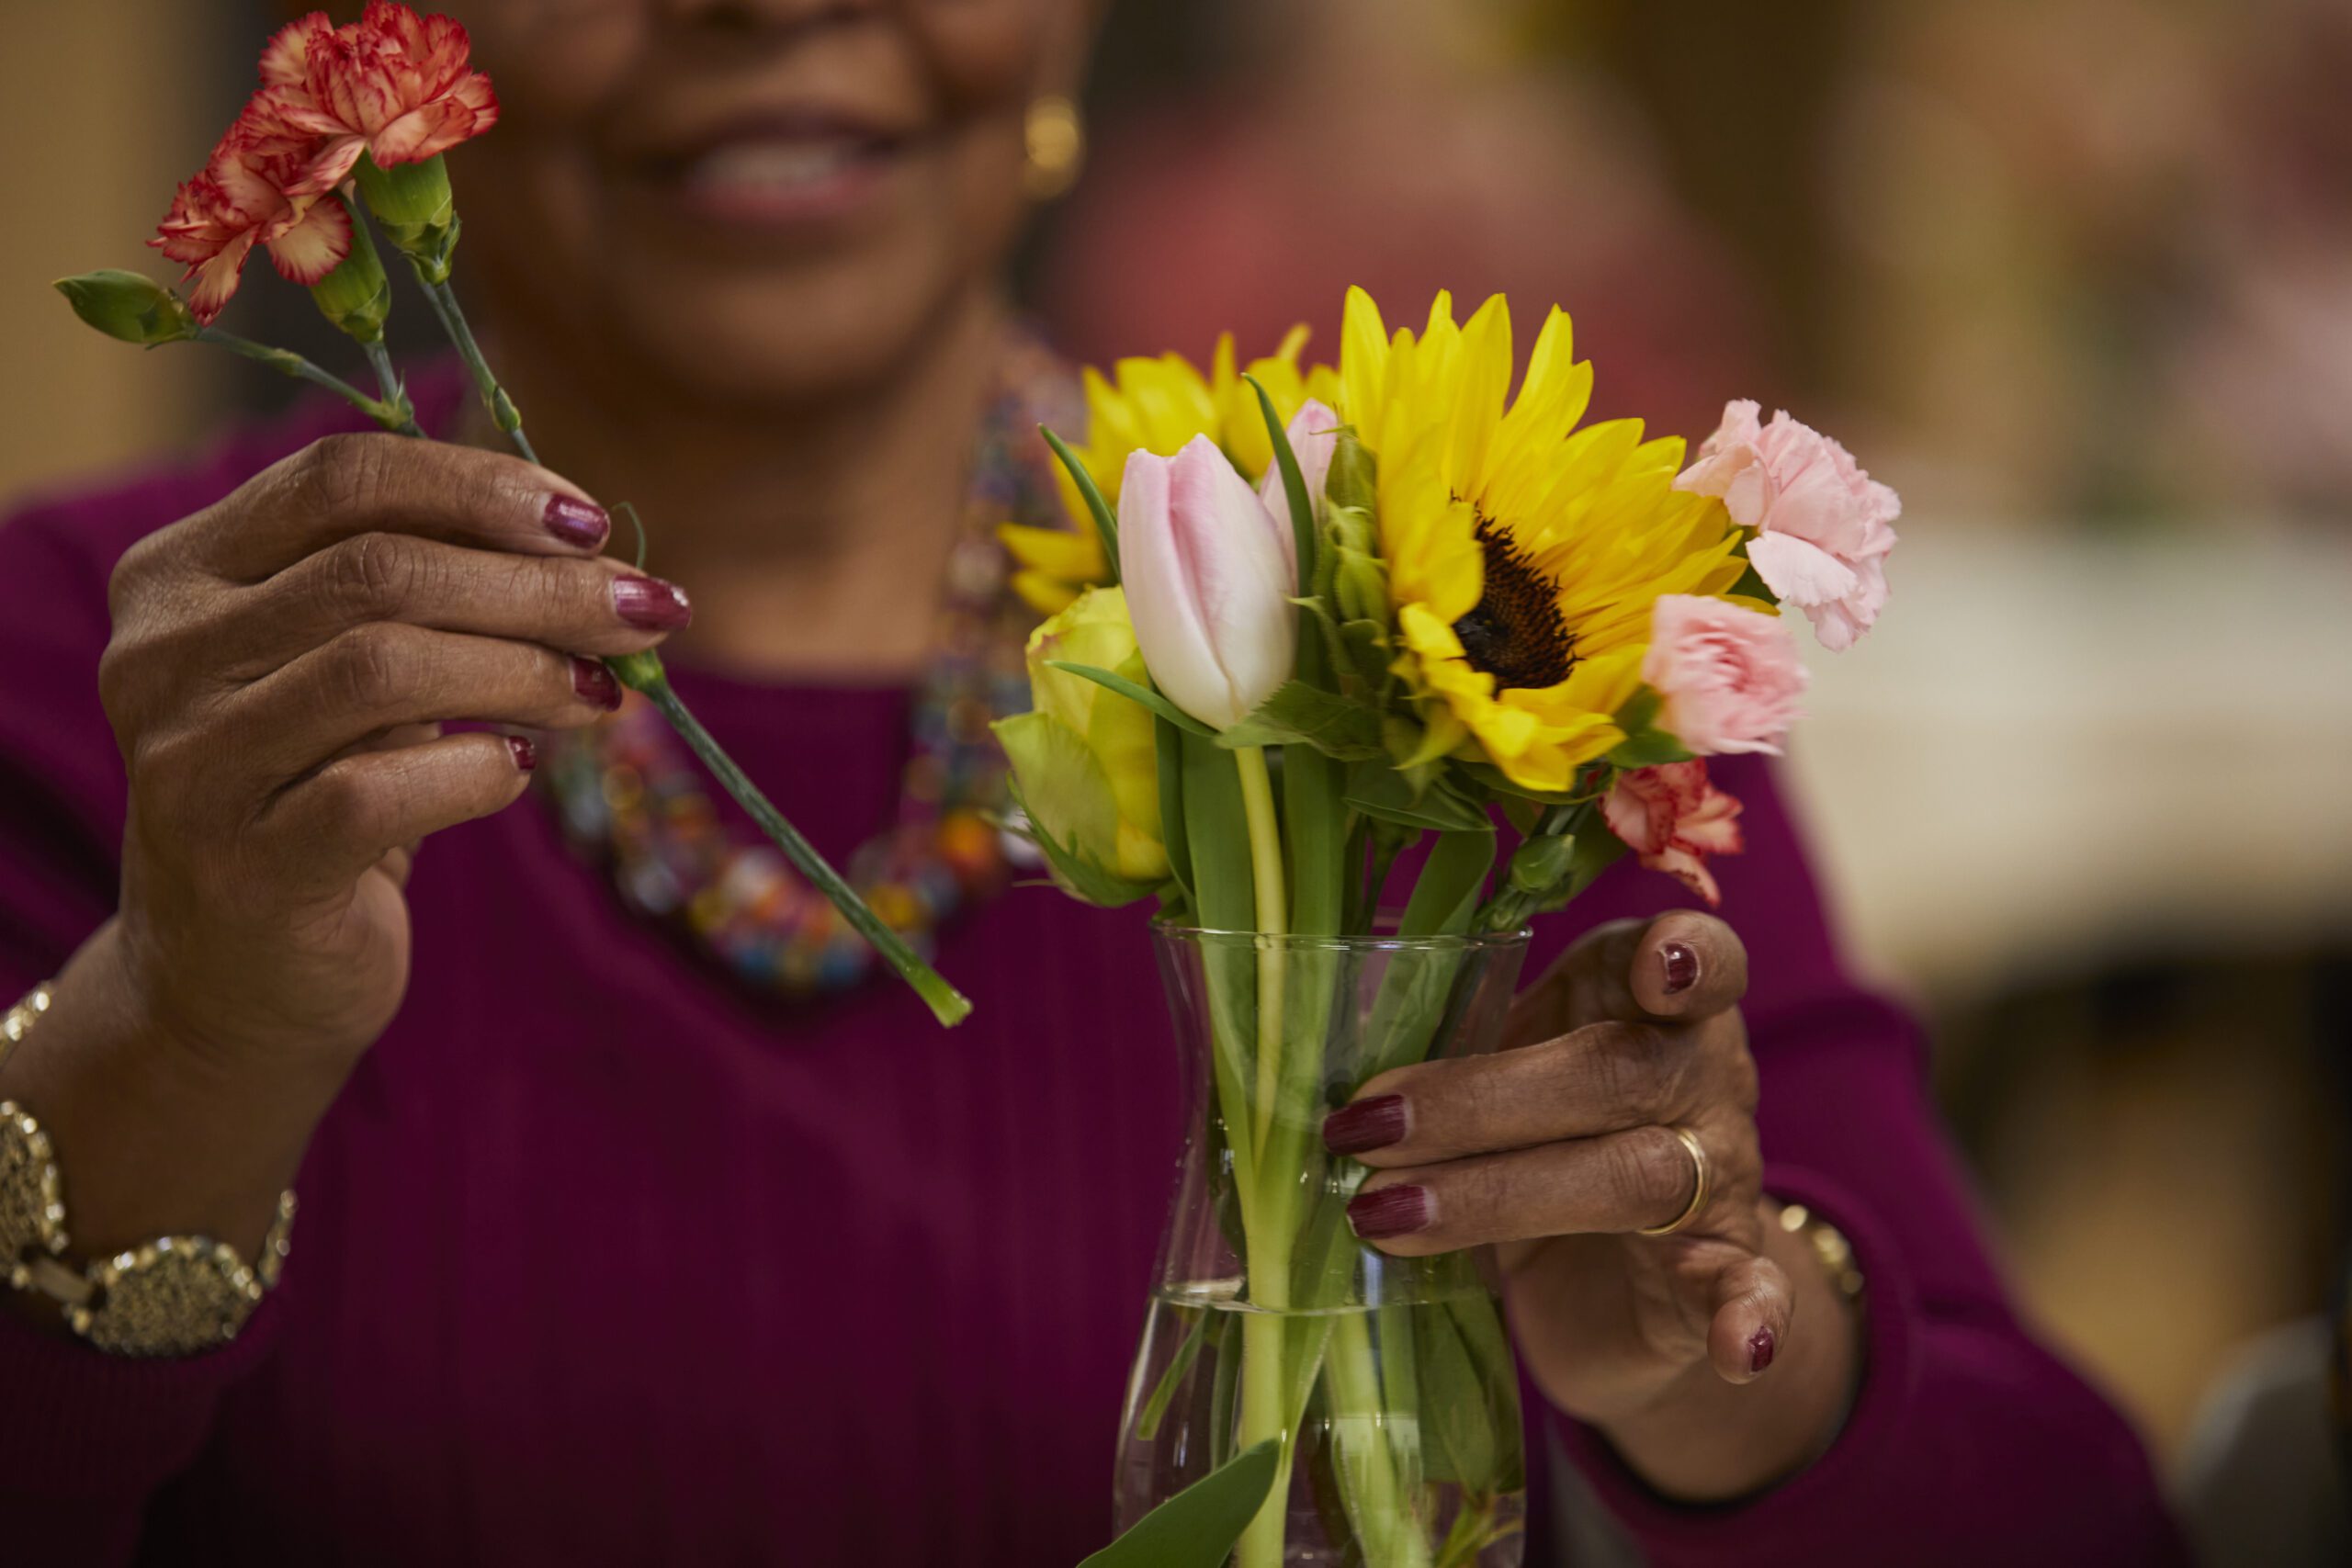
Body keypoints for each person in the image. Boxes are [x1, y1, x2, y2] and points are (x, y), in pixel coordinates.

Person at [0, 3, 2181, 1563]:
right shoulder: (142, 681)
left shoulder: (1456, 613)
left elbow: (2066, 1512)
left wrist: (1717, 1349)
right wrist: (190, 1029)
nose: (770, 10)